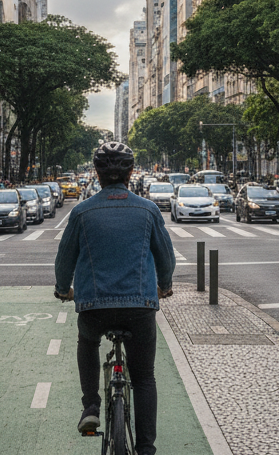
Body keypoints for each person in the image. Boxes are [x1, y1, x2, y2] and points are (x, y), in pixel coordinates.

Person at [54, 141, 174, 452]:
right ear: (131, 172)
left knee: (87, 342)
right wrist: (165, 285)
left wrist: (62, 289)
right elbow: (166, 258)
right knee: (144, 377)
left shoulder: (81, 211)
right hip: (140, 306)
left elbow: (64, 260)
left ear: (96, 173)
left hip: (93, 307)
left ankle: (91, 406)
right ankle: (145, 449)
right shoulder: (148, 210)